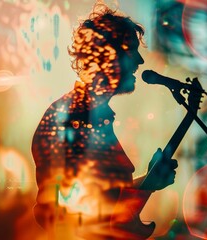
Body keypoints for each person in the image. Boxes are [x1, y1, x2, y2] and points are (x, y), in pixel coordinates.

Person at [31, 3, 178, 239]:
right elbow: (58, 212)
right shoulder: (68, 118)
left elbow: (107, 201)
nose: (140, 60)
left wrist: (149, 181)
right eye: (131, 50)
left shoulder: (96, 118)